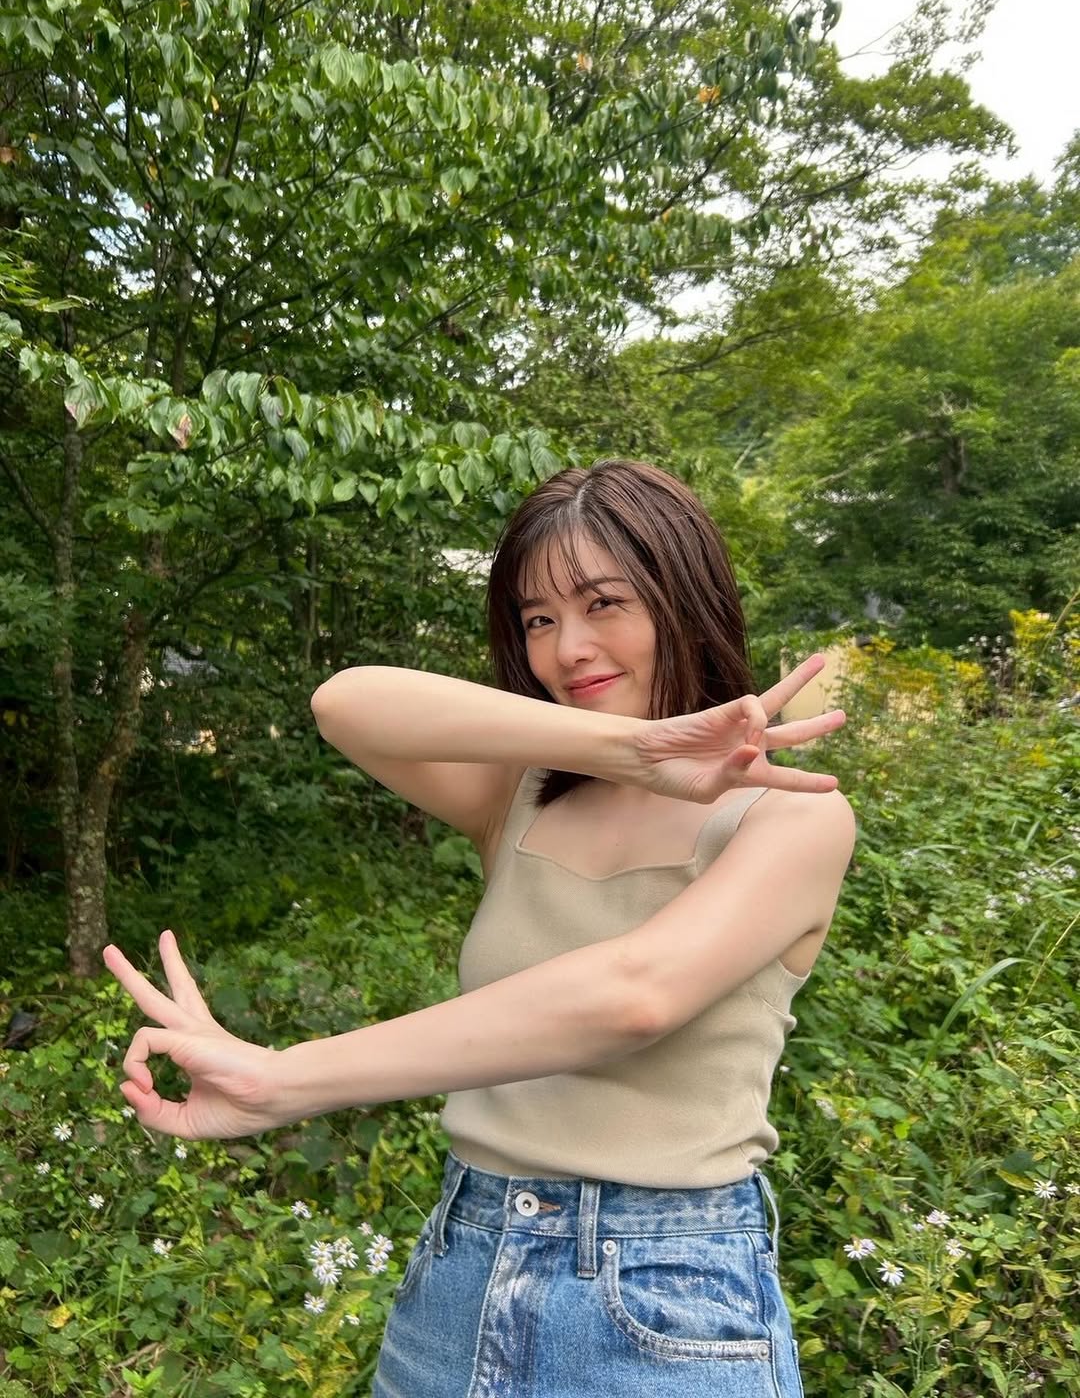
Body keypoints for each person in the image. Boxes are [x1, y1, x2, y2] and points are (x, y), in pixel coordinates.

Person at [103, 459, 855, 1397]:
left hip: (666, 1297)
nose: (568, 648)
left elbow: (633, 995)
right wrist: (629, 749)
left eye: (604, 603)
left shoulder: (792, 817)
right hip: (461, 1271)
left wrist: (286, 1078)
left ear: (685, 597)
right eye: (538, 620)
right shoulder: (522, 797)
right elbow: (345, 704)